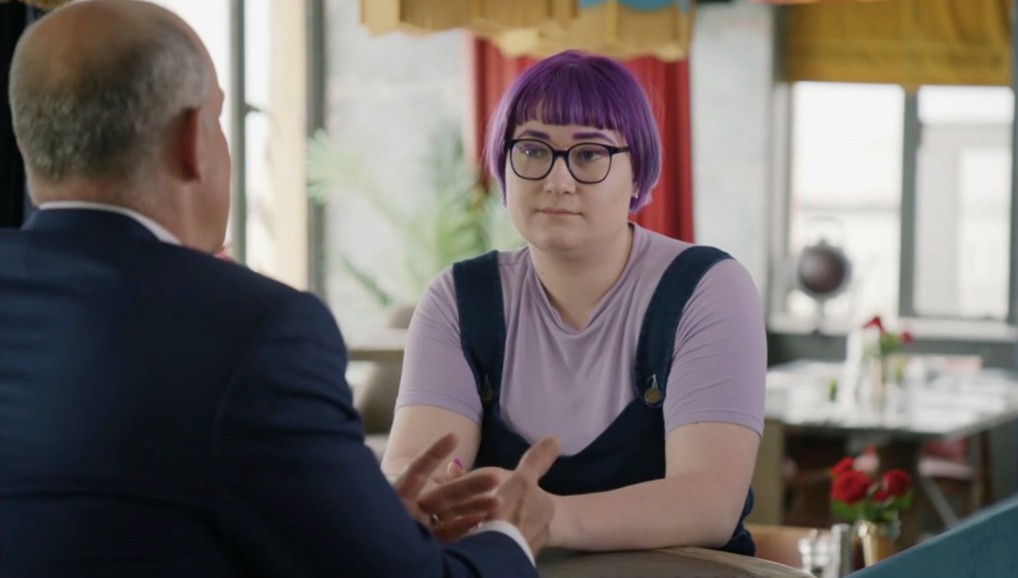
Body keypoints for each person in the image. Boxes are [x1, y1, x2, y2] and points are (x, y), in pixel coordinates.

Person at [0, 1, 559, 577]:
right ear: (193, 139)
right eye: (219, 118)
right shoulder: (251, 330)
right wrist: (510, 537)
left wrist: (360, 521)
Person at [381, 49, 766, 555]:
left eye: (589, 154)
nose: (557, 180)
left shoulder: (709, 288)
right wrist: (417, 500)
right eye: (534, 150)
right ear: (504, 164)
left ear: (637, 172)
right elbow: (412, 469)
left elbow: (708, 503)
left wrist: (551, 518)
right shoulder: (456, 300)